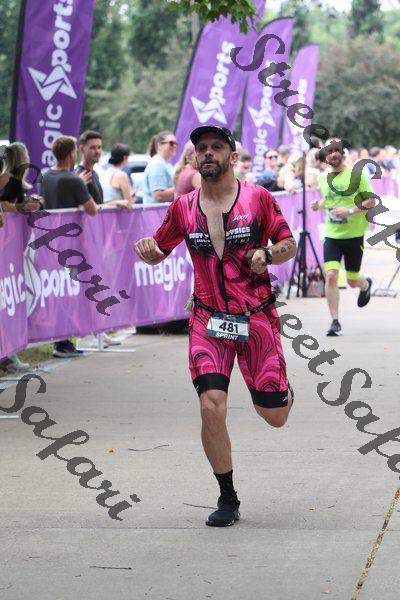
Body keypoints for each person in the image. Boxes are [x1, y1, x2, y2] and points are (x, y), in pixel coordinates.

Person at [134, 125, 296, 527]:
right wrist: (148, 251)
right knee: (211, 404)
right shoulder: (183, 207)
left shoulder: (258, 198)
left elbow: (287, 243)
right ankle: (227, 496)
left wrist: (268, 254)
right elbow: (159, 250)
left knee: (275, 415)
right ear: (194, 157)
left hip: (256, 317)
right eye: (201, 148)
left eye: (216, 147)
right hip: (208, 320)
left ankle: (282, 392)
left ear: (232, 155)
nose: (208, 153)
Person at [40, 135, 98, 357]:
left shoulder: (45, 175)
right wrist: (80, 186)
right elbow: (92, 209)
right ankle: (63, 343)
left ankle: (62, 341)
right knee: (69, 293)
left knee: (58, 292)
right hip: (70, 244)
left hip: (49, 242)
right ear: (72, 153)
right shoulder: (73, 180)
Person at [312, 138, 375, 336]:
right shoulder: (322, 178)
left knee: (352, 280)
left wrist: (350, 211)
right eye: (329, 151)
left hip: (354, 234)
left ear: (342, 153)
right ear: (325, 156)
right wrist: (318, 205)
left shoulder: (357, 174)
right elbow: (329, 199)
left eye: (336, 150)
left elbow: (371, 201)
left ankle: (365, 285)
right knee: (331, 275)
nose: (333, 154)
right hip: (332, 234)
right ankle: (335, 322)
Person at [142, 130, 177, 203]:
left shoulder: (165, 163)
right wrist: (181, 186)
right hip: (157, 210)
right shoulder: (157, 164)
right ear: (159, 145)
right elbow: (158, 195)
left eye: (176, 143)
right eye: (171, 143)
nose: (175, 146)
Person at [101, 143, 135, 207]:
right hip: (116, 212)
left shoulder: (104, 173)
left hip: (103, 211)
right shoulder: (121, 175)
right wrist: (133, 195)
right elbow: (129, 204)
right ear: (125, 157)